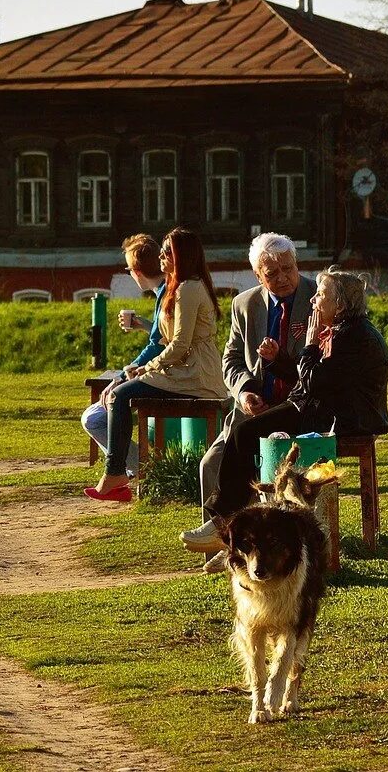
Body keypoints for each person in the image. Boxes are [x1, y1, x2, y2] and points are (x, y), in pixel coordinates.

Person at [182, 266, 388, 552]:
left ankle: (225, 526)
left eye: (321, 295)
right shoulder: (345, 330)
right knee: (247, 433)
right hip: (322, 409)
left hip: (339, 420)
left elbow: (315, 381)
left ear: (340, 304)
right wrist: (278, 358)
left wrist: (309, 344)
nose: (313, 301)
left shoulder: (353, 337)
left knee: (245, 434)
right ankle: (233, 531)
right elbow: (313, 378)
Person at [184, 234, 317, 566]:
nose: (283, 278)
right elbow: (230, 361)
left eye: (288, 269)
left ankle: (249, 544)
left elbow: (320, 362)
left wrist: (280, 360)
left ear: (297, 265)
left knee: (261, 461)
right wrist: (243, 392)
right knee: (210, 464)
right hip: (251, 408)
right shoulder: (244, 305)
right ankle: (226, 548)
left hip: (299, 406)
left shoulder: (318, 296)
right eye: (272, 274)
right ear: (258, 275)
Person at [85, 228, 227, 502]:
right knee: (120, 392)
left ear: (181, 256)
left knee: (119, 394)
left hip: (195, 374)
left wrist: (146, 368)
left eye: (167, 251)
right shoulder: (178, 286)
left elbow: (180, 345)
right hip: (181, 370)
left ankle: (116, 471)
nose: (160, 256)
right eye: (161, 250)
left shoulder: (189, 288)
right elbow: (163, 338)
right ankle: (118, 471)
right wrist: (141, 365)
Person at [80, 234, 168, 476]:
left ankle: (138, 471)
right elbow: (165, 337)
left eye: (129, 269)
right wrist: (145, 324)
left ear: (137, 272)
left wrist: (124, 375)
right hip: (165, 370)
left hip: (166, 374)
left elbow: (159, 345)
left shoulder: (166, 294)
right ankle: (131, 470)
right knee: (99, 410)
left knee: (94, 417)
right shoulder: (167, 291)